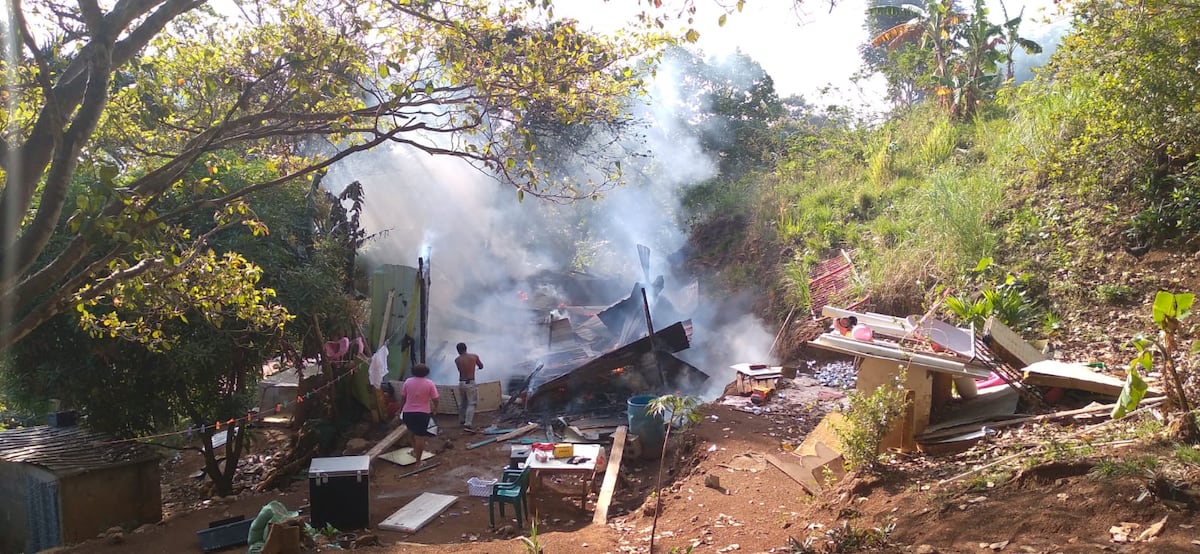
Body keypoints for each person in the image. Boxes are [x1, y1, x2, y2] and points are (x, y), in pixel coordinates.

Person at [399, 363, 438, 466]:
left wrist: (400, 409)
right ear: (427, 373)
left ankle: (415, 451)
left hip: (408, 412)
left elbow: (403, 397)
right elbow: (435, 398)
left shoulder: (407, 382)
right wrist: (435, 408)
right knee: (420, 437)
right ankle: (418, 461)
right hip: (423, 413)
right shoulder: (429, 383)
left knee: (411, 432)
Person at [454, 342, 484, 430]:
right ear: (466, 348)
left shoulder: (457, 360)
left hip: (461, 383)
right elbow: (481, 366)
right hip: (470, 383)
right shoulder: (474, 356)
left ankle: (461, 419)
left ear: (458, 350)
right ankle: (468, 423)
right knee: (472, 403)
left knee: (463, 402)